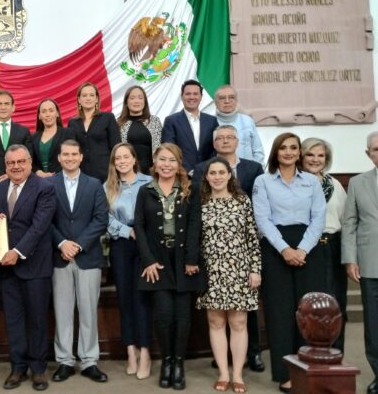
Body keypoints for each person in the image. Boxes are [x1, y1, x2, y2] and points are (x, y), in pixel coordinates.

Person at [252, 132, 326, 392]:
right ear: (276, 152)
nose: (288, 152)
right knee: (280, 313)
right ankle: (285, 373)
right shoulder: (263, 181)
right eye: (283, 148)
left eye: (293, 148)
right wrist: (285, 249)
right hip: (275, 248)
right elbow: (262, 220)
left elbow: (318, 218)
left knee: (308, 312)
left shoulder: (311, 182)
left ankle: (309, 368)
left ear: (299, 153)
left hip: (308, 247)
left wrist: (302, 249)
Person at [191, 125, 266, 372]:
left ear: (229, 175)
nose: (217, 177)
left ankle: (238, 374)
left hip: (239, 270)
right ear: (207, 176)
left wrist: (255, 269)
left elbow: (252, 238)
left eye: (222, 172)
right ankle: (223, 372)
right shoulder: (200, 203)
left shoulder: (242, 200)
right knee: (215, 321)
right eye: (212, 173)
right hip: (211, 271)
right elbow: (194, 237)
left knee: (238, 321)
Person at [134, 143, 203, 390]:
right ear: (155, 161)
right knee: (164, 316)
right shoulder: (145, 190)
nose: (166, 164)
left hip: (184, 260)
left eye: (172, 160)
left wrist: (192, 259)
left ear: (179, 163)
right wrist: (148, 260)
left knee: (183, 317)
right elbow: (139, 227)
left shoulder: (191, 189)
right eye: (162, 159)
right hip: (158, 261)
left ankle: (179, 364)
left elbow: (195, 224)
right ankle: (166, 362)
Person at [0, 145, 56, 391]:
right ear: (5, 166)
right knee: (13, 320)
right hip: (6, 269)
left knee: (37, 320)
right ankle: (18, 367)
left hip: (35, 266)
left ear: (30, 163)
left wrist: (17, 253)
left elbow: (40, 227)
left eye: (21, 161)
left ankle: (38, 369)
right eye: (11, 163)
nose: (16, 166)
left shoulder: (45, 188)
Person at [48, 140, 109, 384]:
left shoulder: (94, 184)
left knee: (88, 310)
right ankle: (64, 361)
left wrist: (78, 244)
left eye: (74, 154)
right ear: (60, 158)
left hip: (88, 257)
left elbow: (101, 219)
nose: (70, 158)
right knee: (62, 311)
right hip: (59, 256)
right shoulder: (48, 184)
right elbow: (44, 219)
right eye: (66, 154)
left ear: (81, 157)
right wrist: (62, 243)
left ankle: (89, 361)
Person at [104, 143, 153, 379]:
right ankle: (130, 351)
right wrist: (126, 231)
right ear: (114, 163)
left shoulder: (148, 182)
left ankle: (145, 352)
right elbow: (104, 218)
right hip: (122, 245)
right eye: (117, 158)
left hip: (146, 245)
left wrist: (141, 233)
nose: (122, 161)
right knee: (125, 299)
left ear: (134, 159)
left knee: (142, 298)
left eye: (126, 156)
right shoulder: (108, 187)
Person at [301, 137, 348, 351]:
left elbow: (346, 220)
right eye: (310, 154)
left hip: (332, 248)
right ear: (302, 157)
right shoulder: (294, 183)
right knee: (307, 304)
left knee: (334, 304)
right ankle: (307, 355)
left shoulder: (335, 185)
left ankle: (335, 353)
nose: (315, 159)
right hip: (305, 249)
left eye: (320, 155)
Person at [342, 131, 378, 394]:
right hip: (370, 263)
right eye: (376, 149)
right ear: (368, 154)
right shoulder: (357, 183)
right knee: (374, 327)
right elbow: (350, 223)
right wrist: (350, 259)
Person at [67, 82, 122, 182]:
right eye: (84, 95)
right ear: (79, 99)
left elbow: (116, 147)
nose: (88, 98)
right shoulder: (72, 122)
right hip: (81, 175)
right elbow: (71, 149)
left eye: (92, 95)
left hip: (105, 174)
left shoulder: (108, 117)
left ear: (97, 99)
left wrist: (116, 171)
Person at [162, 79, 219, 173]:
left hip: (208, 174)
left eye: (195, 94)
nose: (192, 97)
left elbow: (215, 148)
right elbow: (170, 149)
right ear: (182, 96)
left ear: (201, 97)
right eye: (188, 94)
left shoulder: (212, 121)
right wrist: (186, 170)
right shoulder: (171, 121)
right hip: (181, 174)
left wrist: (206, 168)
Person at [117, 85, 163, 174]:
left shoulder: (155, 121)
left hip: (152, 172)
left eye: (140, 98)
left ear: (145, 101)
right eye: (132, 98)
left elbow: (161, 149)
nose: (136, 101)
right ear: (126, 102)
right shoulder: (119, 124)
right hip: (127, 171)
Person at [213, 85, 264, 163]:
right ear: (216, 102)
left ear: (236, 100)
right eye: (222, 98)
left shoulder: (247, 121)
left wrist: (254, 171)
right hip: (219, 173)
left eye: (231, 97)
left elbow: (258, 151)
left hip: (248, 172)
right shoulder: (209, 122)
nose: (227, 101)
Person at [31, 98, 75, 177]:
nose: (48, 114)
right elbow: (30, 160)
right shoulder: (33, 137)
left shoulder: (68, 133)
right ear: (39, 116)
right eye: (44, 111)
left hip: (63, 179)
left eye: (51, 110)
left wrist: (55, 175)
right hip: (40, 182)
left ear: (57, 113)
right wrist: (38, 172)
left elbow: (72, 156)